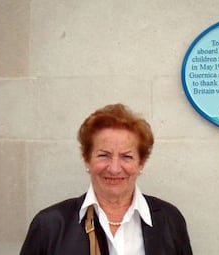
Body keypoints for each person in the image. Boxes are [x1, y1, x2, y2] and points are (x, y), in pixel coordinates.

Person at [20, 103, 193, 255]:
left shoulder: (170, 220)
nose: (115, 168)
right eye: (103, 155)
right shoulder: (49, 225)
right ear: (87, 159)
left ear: (141, 163)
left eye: (127, 157)